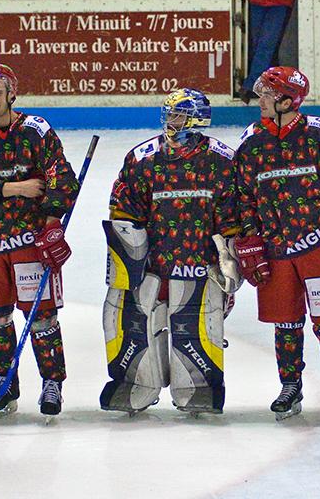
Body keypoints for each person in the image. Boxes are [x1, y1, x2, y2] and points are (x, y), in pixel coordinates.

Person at [233, 66, 320, 420]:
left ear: (287, 100)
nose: (260, 100)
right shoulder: (251, 142)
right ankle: (290, 385)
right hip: (276, 249)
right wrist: (250, 241)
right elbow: (244, 197)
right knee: (286, 323)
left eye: (267, 94)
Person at [101, 88, 241, 415]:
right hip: (151, 265)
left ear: (197, 119)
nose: (171, 121)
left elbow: (232, 217)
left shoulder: (222, 160)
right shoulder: (142, 158)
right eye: (169, 114)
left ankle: (198, 387)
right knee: (131, 320)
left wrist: (231, 262)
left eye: (178, 115)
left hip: (199, 266)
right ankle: (135, 382)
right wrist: (126, 261)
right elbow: (123, 211)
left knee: (194, 327)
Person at [0, 64, 80, 418]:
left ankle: (52, 382)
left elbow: (61, 177)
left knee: (41, 317)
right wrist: (18, 187)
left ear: (12, 94)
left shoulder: (37, 130)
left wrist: (53, 224)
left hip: (30, 241)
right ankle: (5, 382)